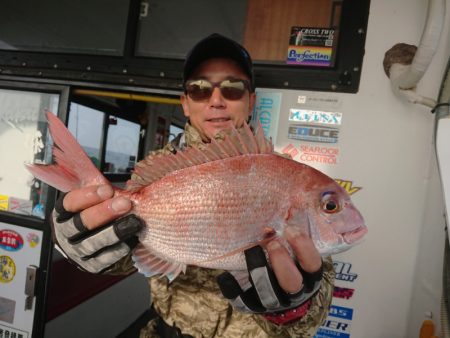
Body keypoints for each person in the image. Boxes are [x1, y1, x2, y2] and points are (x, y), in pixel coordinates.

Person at [51, 33, 334, 337]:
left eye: (233, 88)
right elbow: (130, 254)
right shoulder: (159, 169)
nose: (216, 100)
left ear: (251, 101)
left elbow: (318, 294)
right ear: (184, 104)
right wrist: (84, 246)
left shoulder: (287, 177)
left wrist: (295, 307)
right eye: (199, 89)